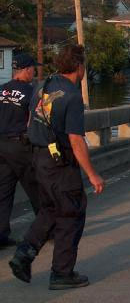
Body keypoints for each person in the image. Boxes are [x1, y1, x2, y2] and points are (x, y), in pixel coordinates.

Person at [9, 45, 105, 290]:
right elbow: (75, 139)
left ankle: (24, 254)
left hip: (38, 158)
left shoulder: (43, 85)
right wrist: (92, 174)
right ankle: (62, 273)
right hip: (60, 163)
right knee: (71, 214)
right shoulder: (72, 96)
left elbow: (31, 121)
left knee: (49, 210)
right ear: (79, 66)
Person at [0, 53, 41, 248]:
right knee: (36, 186)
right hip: (19, 145)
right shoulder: (31, 92)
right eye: (33, 68)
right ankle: (46, 228)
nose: (35, 72)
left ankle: (0, 235)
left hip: (1, 145)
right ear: (26, 69)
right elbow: (34, 120)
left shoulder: (1, 90)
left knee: (3, 191)